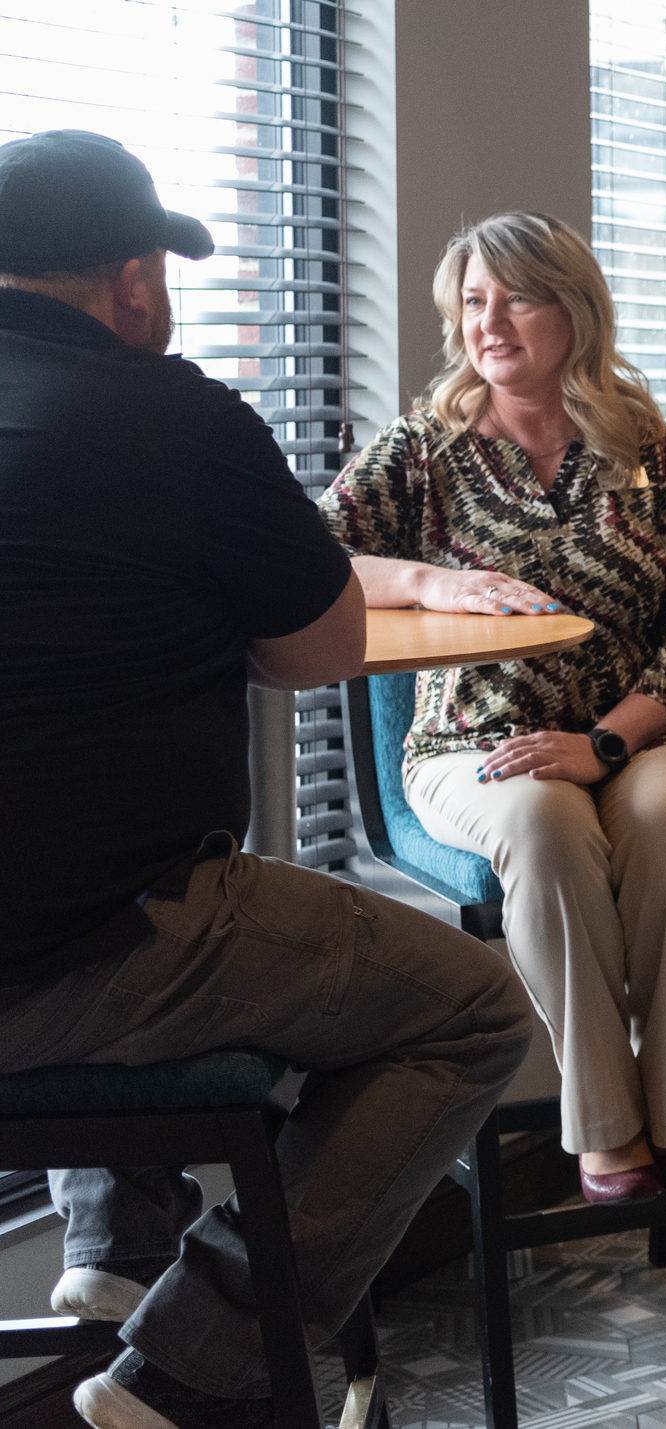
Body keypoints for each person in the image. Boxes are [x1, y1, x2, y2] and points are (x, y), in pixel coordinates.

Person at [0, 130, 532, 1429]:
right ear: (134, 281)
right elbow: (319, 652)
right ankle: (193, 1361)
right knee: (465, 1007)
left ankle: (116, 1257)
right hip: (70, 960)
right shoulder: (171, 413)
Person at [319, 212, 666, 1204]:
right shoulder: (422, 451)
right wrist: (425, 582)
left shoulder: (654, 450)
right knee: (543, 825)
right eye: (472, 301)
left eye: (516, 297)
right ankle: (605, 1125)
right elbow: (303, 558)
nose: (488, 322)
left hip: (643, 729)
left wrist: (602, 742)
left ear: (575, 313)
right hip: (475, 739)